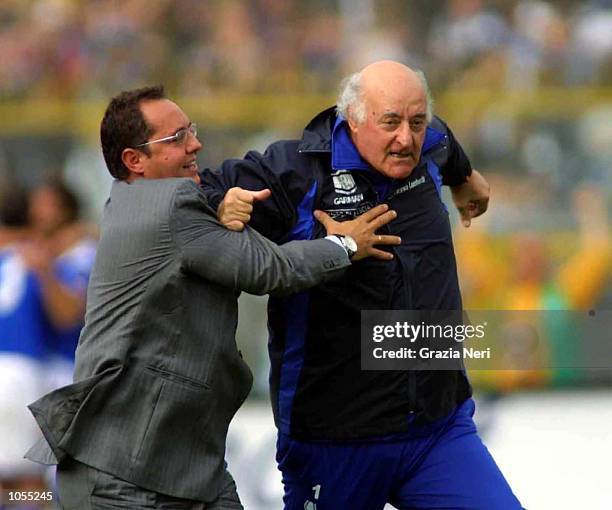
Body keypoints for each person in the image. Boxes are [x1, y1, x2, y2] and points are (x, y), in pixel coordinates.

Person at [24, 85, 400, 510]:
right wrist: (343, 245)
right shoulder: (171, 203)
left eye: (191, 130)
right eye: (176, 138)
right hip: (123, 474)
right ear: (134, 161)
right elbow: (268, 269)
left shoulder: (138, 203)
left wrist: (220, 210)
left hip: (181, 466)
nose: (195, 144)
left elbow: (207, 244)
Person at [200, 61, 523, 509]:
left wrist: (466, 179)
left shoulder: (430, 143)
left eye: (416, 121)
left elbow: (444, 141)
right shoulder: (295, 172)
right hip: (335, 443)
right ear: (350, 119)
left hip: (437, 431)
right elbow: (200, 190)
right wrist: (221, 202)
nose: (405, 138)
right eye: (389, 122)